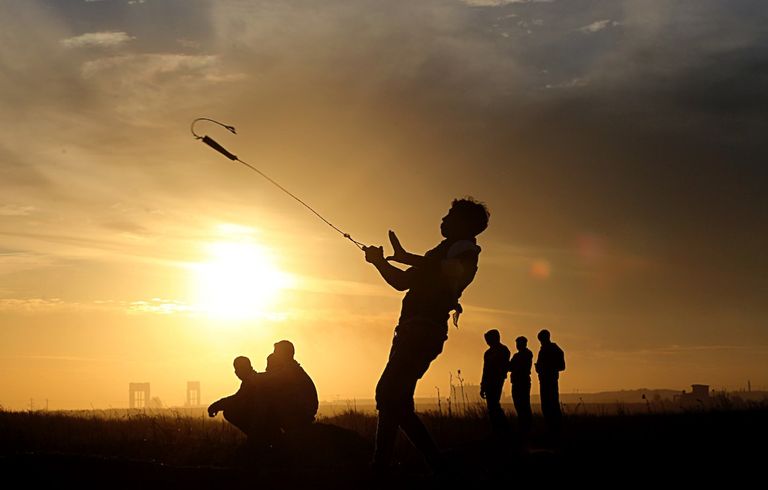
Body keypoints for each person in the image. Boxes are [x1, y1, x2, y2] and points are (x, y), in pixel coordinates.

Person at [363, 197, 490, 472]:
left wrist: (406, 257)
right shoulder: (438, 253)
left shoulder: (467, 252)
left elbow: (450, 270)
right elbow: (401, 282)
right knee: (396, 400)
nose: (443, 219)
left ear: (465, 224)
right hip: (410, 331)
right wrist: (378, 262)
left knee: (388, 394)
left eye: (450, 215)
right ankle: (413, 464)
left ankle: (391, 465)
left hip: (423, 332)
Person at [207, 356, 274, 442]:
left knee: (230, 412)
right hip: (265, 417)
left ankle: (259, 438)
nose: (236, 372)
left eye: (238, 369)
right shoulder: (251, 380)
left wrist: (216, 405)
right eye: (235, 369)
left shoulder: (252, 381)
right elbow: (237, 398)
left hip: (266, 418)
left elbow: (237, 399)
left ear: (247, 368)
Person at [265, 340, 319, 431]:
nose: (274, 355)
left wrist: (252, 376)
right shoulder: (291, 368)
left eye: (276, 352)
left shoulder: (290, 370)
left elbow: (268, 378)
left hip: (301, 413)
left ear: (283, 354)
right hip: (302, 411)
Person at [480, 329, 510, 437]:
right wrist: (483, 385)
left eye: (488, 339)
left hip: (497, 380)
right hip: (488, 381)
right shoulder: (488, 353)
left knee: (494, 405)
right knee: (491, 406)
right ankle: (497, 429)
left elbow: (504, 366)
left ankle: (504, 428)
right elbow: (485, 370)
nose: (487, 341)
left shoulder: (503, 350)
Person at [535, 329, 565, 436]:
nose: (541, 342)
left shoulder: (555, 349)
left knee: (553, 405)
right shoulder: (543, 350)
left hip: (551, 381)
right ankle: (551, 429)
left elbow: (562, 366)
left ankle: (556, 430)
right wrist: (539, 368)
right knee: (546, 406)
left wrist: (546, 367)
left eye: (541, 340)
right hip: (544, 381)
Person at [509, 335, 533, 438]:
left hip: (522, 382)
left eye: (519, 343)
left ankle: (527, 427)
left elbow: (515, 366)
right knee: (519, 405)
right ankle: (523, 426)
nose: (517, 345)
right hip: (516, 382)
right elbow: (510, 367)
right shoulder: (517, 355)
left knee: (524, 405)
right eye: (517, 344)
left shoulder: (527, 354)